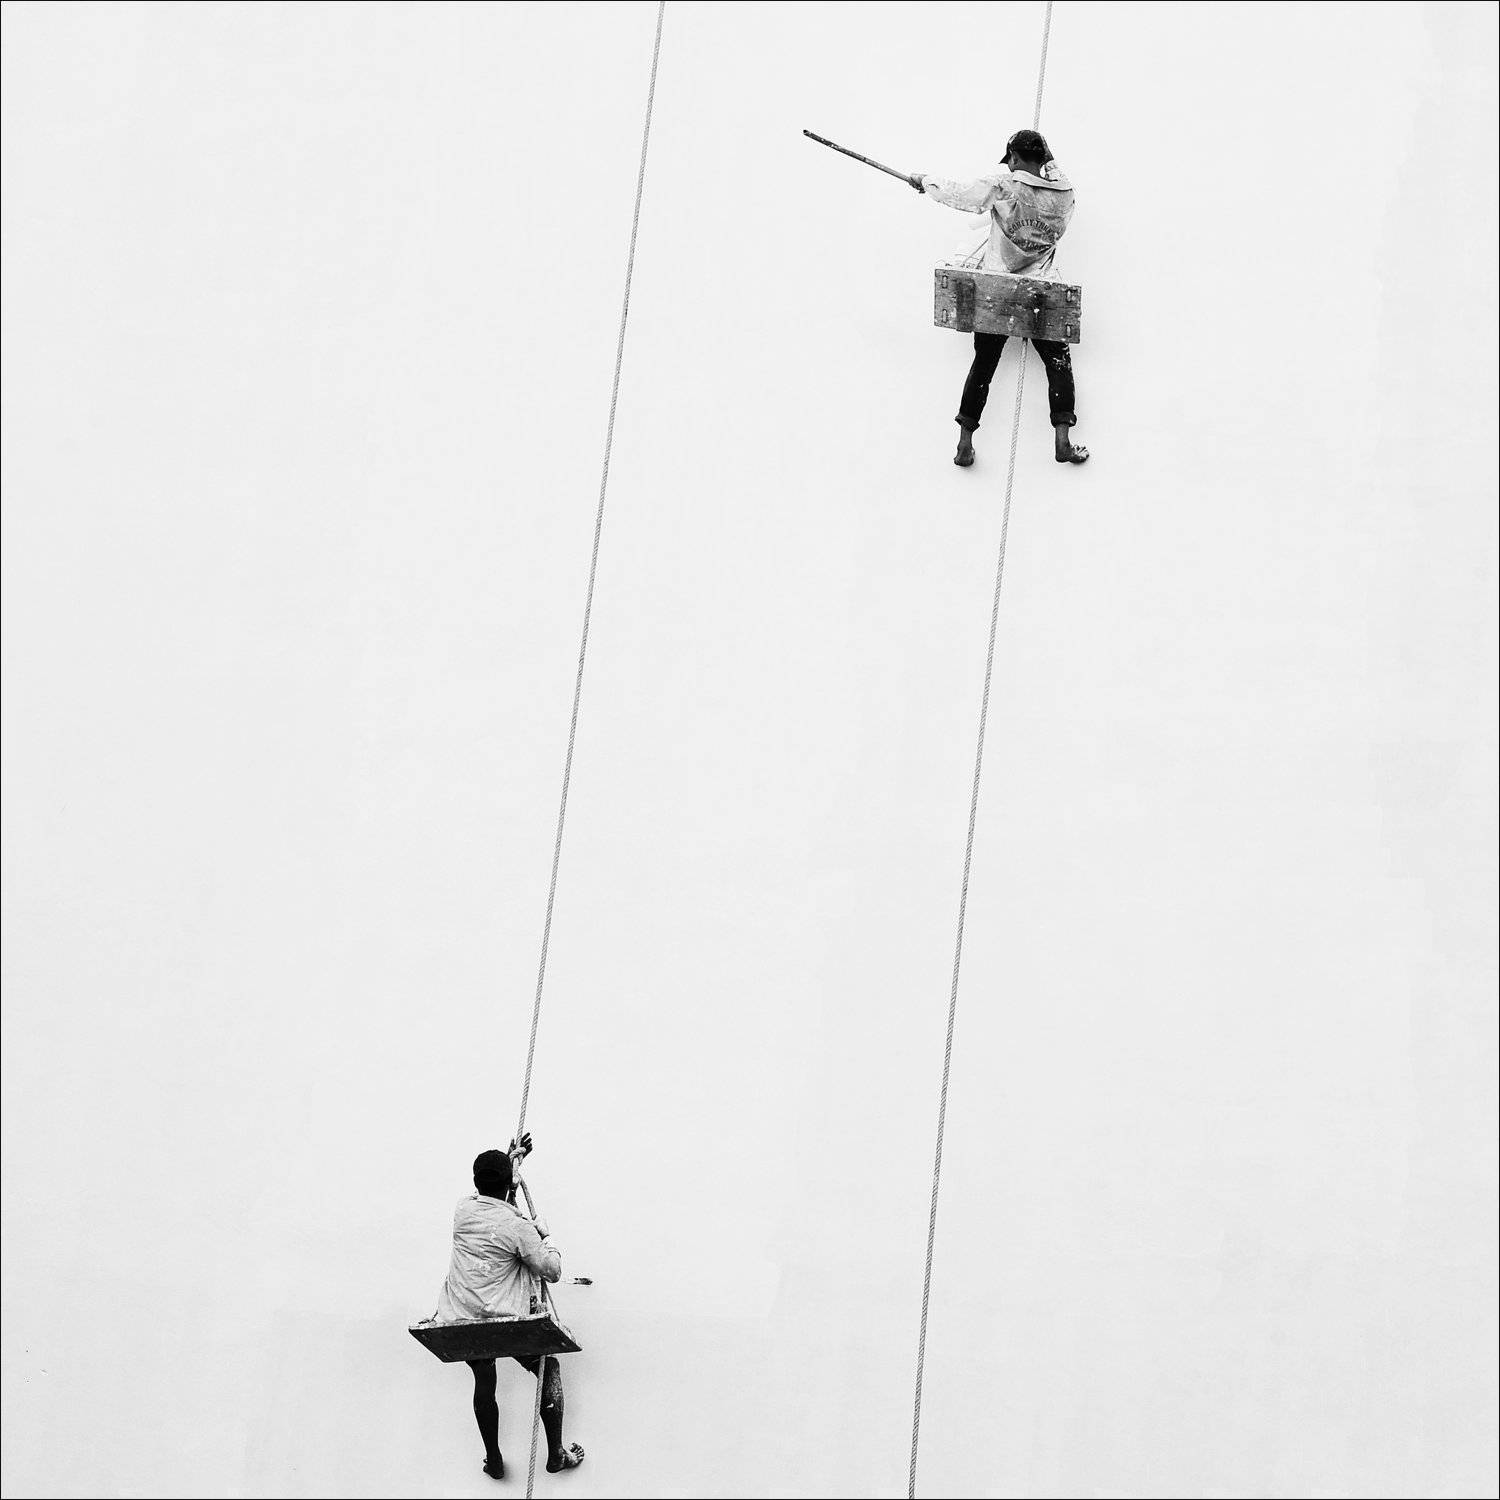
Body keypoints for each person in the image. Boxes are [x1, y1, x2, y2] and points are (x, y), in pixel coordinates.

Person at [910, 128, 1089, 469]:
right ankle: (1063, 440)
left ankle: (965, 443)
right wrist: (1044, 156)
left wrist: (924, 182)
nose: (1009, 167)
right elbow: (1055, 173)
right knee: (1058, 363)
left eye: (1011, 160)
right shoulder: (1065, 195)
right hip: (1041, 293)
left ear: (1016, 158)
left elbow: (961, 194)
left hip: (998, 291)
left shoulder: (1005, 187)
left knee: (983, 364)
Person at [433, 1134, 585, 1481]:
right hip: (503, 1320)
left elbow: (495, 1198)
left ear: (476, 1181)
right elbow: (552, 1271)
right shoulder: (519, 1228)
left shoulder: (463, 1209)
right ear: (507, 1184)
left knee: (484, 1376)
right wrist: (546, 1237)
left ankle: (494, 1459)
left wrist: (509, 1161)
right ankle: (556, 1453)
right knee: (549, 1367)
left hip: (464, 1317)